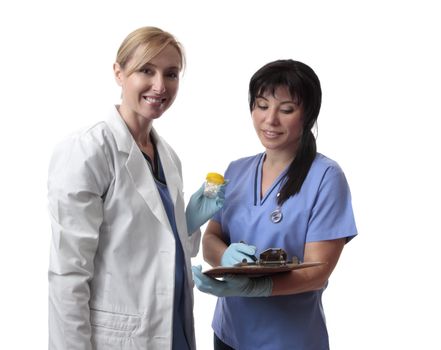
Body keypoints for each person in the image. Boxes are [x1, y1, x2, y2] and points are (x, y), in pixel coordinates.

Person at [47, 26, 224, 350]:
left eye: (171, 74)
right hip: (120, 338)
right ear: (119, 72)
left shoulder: (168, 156)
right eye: (146, 70)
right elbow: (68, 272)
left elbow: (155, 247)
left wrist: (188, 223)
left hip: (173, 330)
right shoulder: (88, 150)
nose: (160, 86)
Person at [192, 59, 358, 350]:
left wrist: (256, 286)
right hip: (229, 333)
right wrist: (225, 256)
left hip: (288, 339)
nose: (270, 120)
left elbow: (318, 271)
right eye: (261, 105)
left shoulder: (326, 178)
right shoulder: (236, 171)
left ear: (307, 115)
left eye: (286, 109)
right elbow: (211, 239)